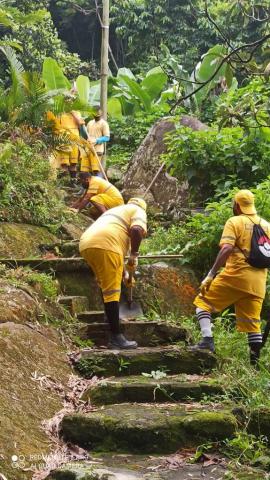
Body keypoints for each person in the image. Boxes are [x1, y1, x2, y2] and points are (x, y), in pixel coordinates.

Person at [191, 189, 270, 367]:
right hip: (258, 282)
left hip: (235, 276)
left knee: (202, 303)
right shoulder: (266, 225)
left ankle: (207, 341)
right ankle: (254, 366)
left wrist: (211, 274)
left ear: (236, 205)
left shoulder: (234, 221)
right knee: (253, 324)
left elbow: (226, 249)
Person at [79, 198, 147, 349]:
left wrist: (126, 275)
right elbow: (136, 230)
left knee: (106, 285)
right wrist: (135, 254)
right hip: (106, 245)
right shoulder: (139, 210)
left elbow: (117, 258)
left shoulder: (116, 213)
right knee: (111, 291)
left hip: (87, 244)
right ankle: (116, 337)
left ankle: (109, 318)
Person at [47, 110, 84, 184]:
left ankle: (73, 182)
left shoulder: (77, 113)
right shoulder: (60, 113)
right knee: (64, 163)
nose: (69, 102)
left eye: (71, 100)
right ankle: (64, 182)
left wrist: (74, 114)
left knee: (73, 163)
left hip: (74, 139)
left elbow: (81, 124)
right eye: (67, 99)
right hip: (63, 140)